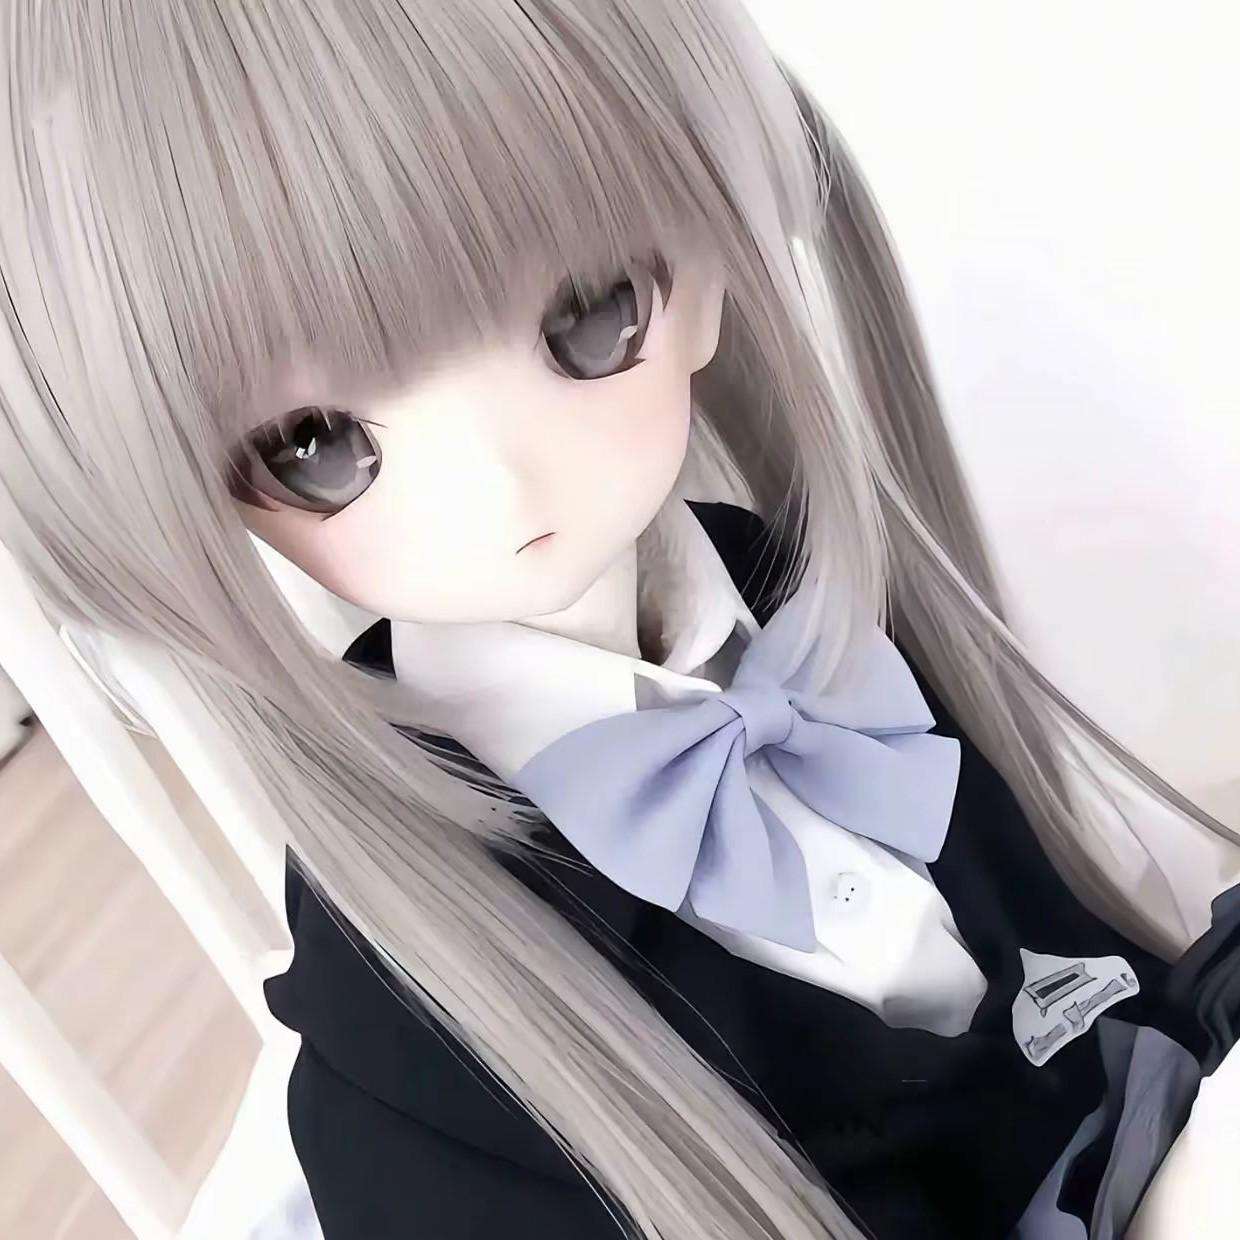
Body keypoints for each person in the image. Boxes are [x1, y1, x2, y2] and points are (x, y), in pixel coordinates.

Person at [1, 3, 1236, 1236]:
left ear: (698, 280)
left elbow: (1061, 946)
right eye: (316, 447)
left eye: (589, 314)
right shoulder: (405, 1008)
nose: (500, 486)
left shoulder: (786, 587)